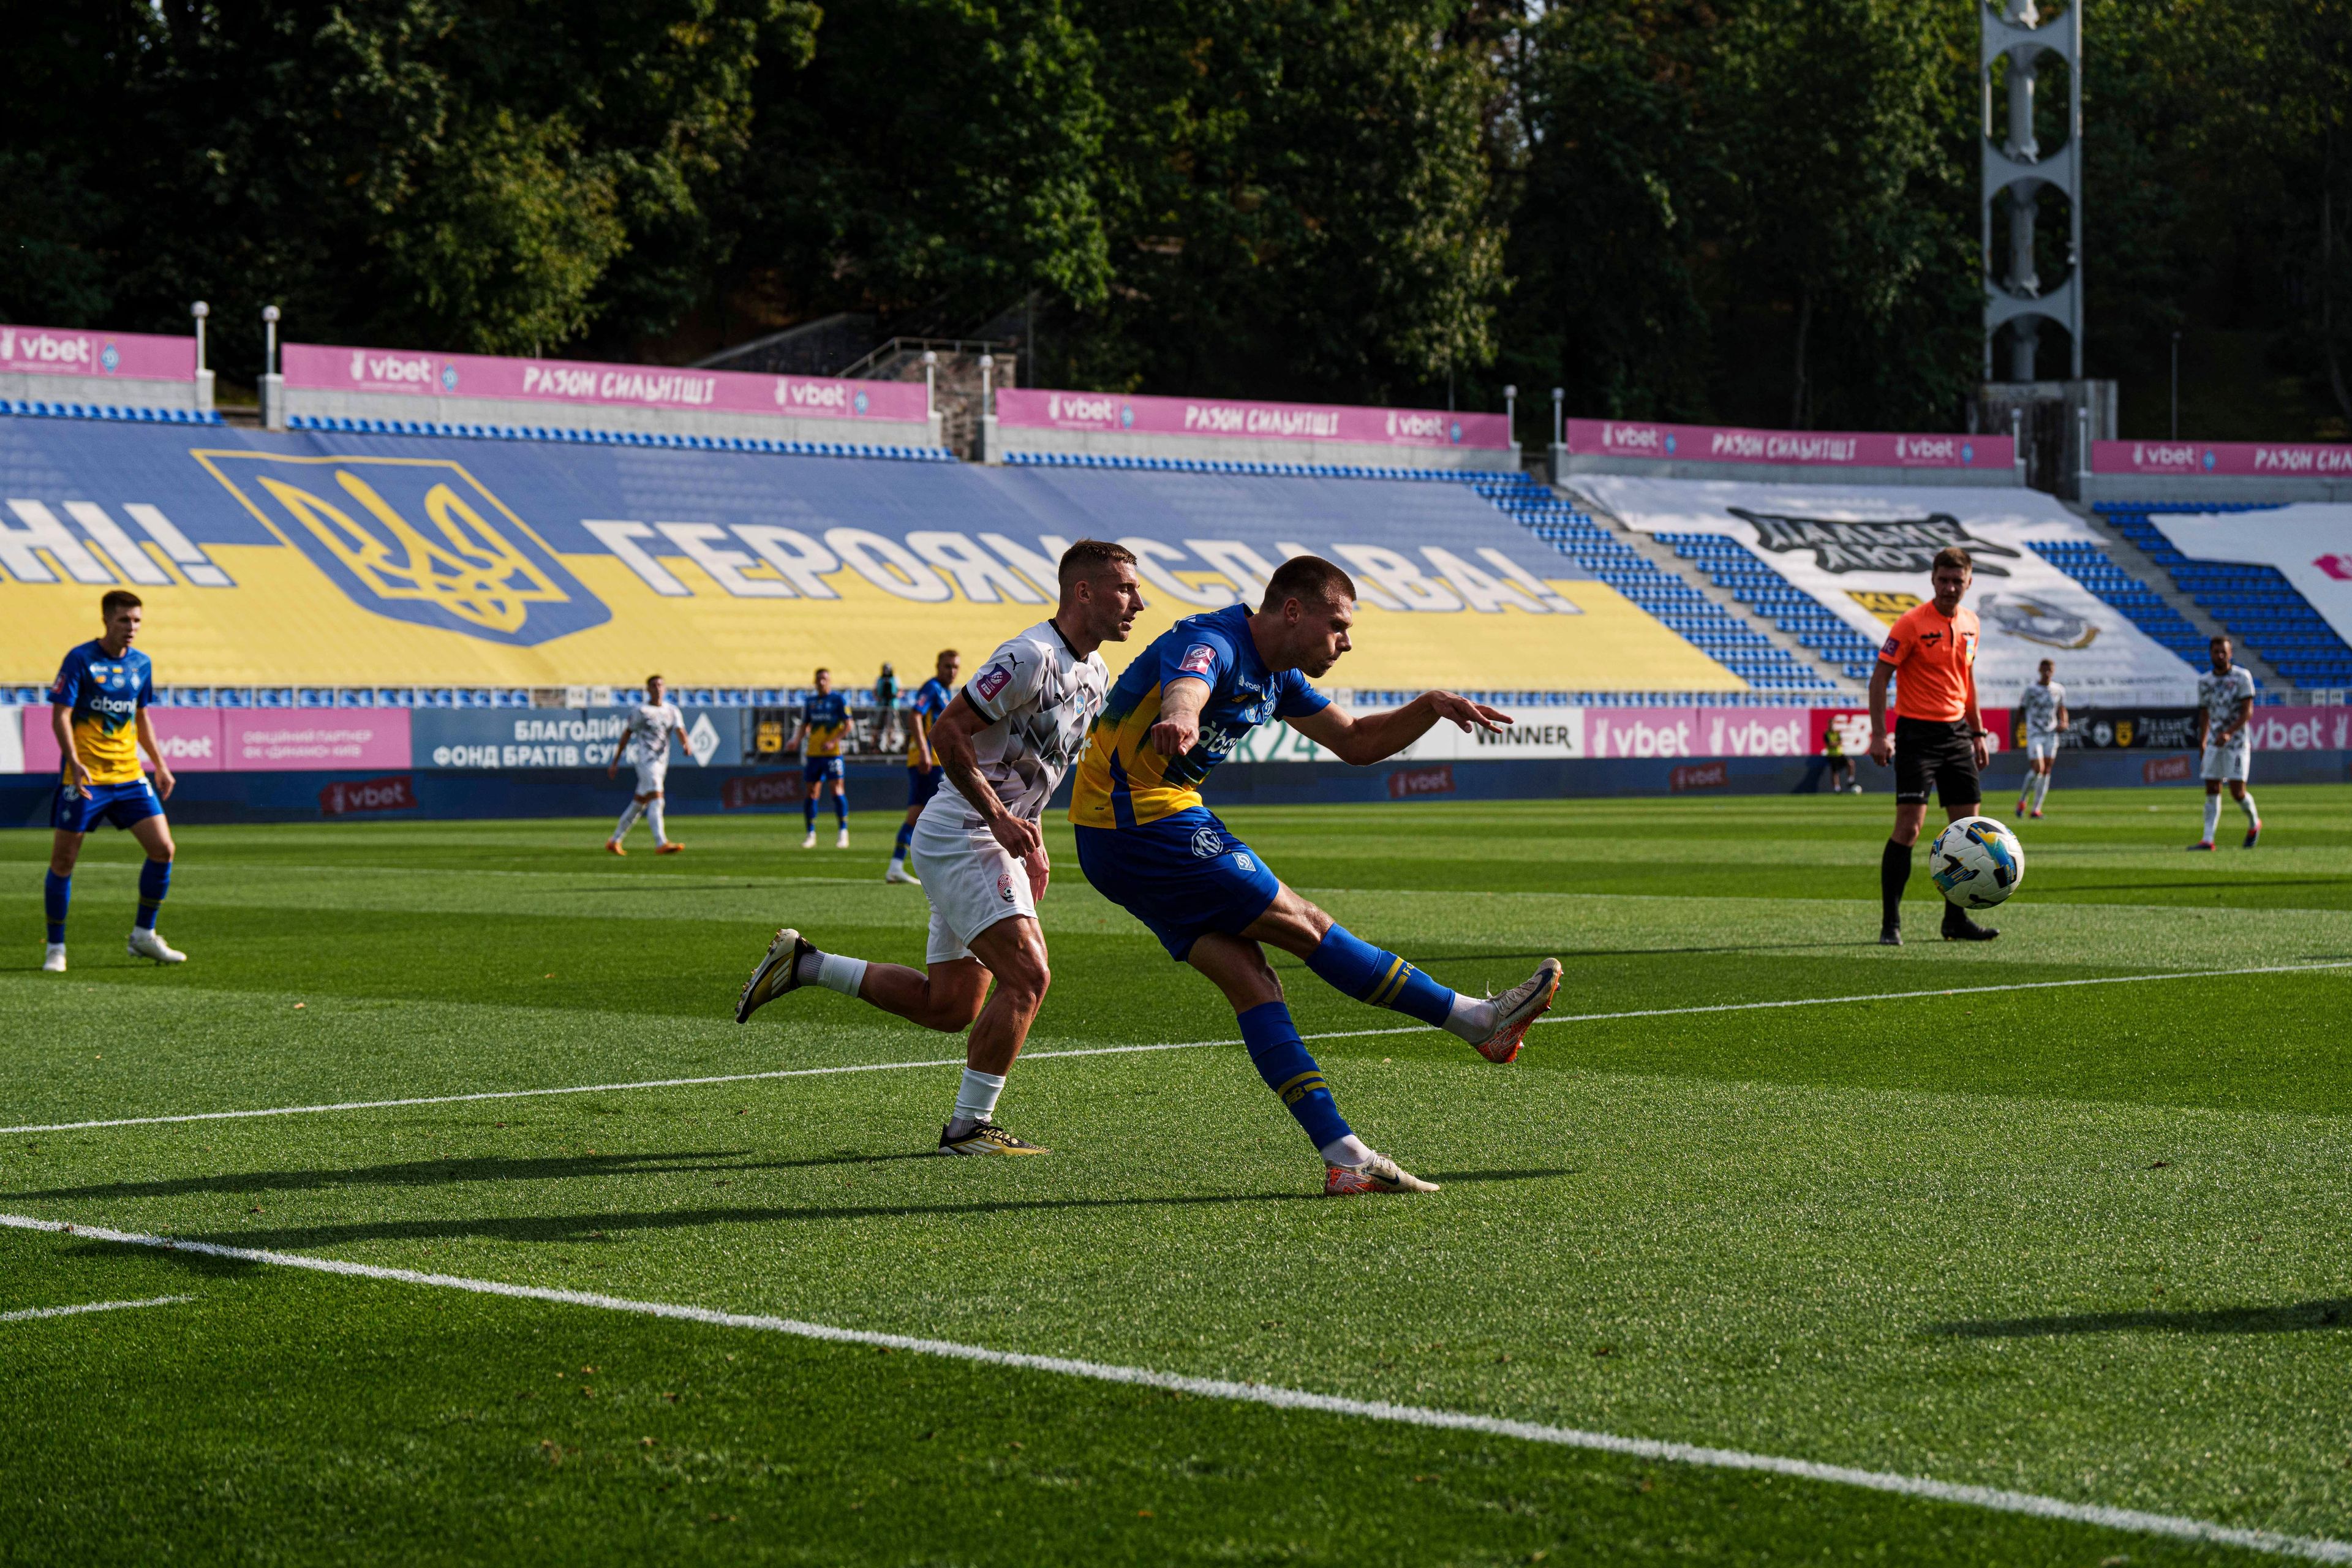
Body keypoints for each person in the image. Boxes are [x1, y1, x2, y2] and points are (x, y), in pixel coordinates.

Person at [1068, 554, 1564, 1198]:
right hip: (1139, 821)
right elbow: (1190, 683)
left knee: (1254, 982)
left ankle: (1345, 1155)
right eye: (1337, 624)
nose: (1346, 640)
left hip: (1115, 836)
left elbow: (1356, 740)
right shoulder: (1212, 641)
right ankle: (1476, 1021)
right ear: (1293, 611)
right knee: (1305, 923)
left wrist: (1430, 706)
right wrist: (1183, 715)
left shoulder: (1279, 678)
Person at [736, 541, 1148, 1155]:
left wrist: (1031, 839)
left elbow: (1041, 764)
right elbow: (947, 731)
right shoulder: (1029, 655)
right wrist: (1002, 818)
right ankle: (968, 1128)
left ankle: (807, 964)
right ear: (1083, 592)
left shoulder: (1096, 671)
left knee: (949, 1005)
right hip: (964, 831)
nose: (1139, 602)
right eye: (1124, 590)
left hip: (993, 836)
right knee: (1029, 976)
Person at [43, 590, 183, 972]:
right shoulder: (80, 659)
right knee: (64, 861)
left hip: (129, 775)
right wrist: (74, 760)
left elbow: (142, 718)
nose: (132, 628)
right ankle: (56, 947)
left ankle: (143, 936)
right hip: (86, 777)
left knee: (163, 849)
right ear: (106, 620)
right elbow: (60, 715)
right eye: (124, 620)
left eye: (137, 621)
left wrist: (160, 764)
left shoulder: (142, 663)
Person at [1868, 545, 1999, 946]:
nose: (1949, 587)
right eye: (1943, 580)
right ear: (1932, 580)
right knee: (1910, 828)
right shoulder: (1909, 624)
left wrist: (1977, 733)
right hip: (1916, 735)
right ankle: (1891, 923)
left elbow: (1967, 682)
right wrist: (1878, 734)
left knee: (1965, 833)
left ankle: (1954, 921)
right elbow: (1879, 680)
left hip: (1958, 734)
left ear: (1969, 582)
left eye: (1957, 581)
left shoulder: (1972, 624)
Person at [886, 649, 960, 886]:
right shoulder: (932, 688)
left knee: (916, 815)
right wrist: (925, 751)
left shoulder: (946, 692)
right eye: (948, 666)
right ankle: (945, 869)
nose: (952, 671)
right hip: (931, 762)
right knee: (949, 813)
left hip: (933, 761)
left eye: (955, 667)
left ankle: (896, 866)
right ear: (938, 666)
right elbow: (915, 716)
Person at [605, 675, 689, 855]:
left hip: (661, 762)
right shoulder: (641, 711)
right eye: (654, 685)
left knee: (639, 804)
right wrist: (615, 761)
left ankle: (615, 840)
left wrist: (686, 744)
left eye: (660, 685)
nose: (658, 688)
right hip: (646, 761)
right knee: (658, 800)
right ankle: (661, 842)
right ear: (648, 689)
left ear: (665, 689)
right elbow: (626, 735)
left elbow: (680, 730)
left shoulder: (672, 711)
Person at [2190, 635, 2260, 851]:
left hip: (2237, 743)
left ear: (2230, 654)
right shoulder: (2204, 682)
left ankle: (2254, 823)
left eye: (2224, 652)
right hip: (2214, 742)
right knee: (2212, 786)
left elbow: (2247, 711)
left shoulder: (2242, 677)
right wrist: (2202, 741)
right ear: (2210, 654)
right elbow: (2204, 714)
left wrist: (2229, 733)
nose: (2220, 655)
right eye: (2216, 652)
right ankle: (2208, 840)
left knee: (2237, 792)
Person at [790, 668, 851, 850]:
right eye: (819, 679)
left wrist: (833, 742)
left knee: (837, 791)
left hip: (832, 754)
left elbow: (849, 725)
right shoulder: (810, 702)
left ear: (830, 681)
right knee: (811, 794)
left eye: (825, 679)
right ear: (815, 682)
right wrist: (795, 741)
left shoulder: (838, 700)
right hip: (814, 754)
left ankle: (843, 832)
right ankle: (811, 834)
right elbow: (805, 725)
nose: (822, 682)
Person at [2014, 659, 2068, 820]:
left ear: (2053, 670)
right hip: (2034, 733)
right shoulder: (2031, 689)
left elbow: (2062, 709)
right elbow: (2021, 710)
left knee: (2047, 770)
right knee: (2038, 768)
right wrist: (2017, 732)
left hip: (2051, 734)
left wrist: (2064, 721)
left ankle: (2036, 809)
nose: (2047, 672)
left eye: (2050, 669)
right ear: (2039, 670)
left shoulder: (2058, 690)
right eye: (2044, 669)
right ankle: (2023, 799)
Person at [873, 662, 903, 755]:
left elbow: (900, 690)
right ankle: (875, 744)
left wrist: (894, 696)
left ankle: (889, 745)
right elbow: (875, 691)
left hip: (892, 705)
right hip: (881, 705)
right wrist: (879, 697)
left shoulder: (895, 679)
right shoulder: (879, 679)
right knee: (877, 724)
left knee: (891, 725)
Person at [1823, 722, 1856, 794]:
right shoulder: (1826, 734)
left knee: (1850, 763)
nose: (1832, 727)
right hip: (1832, 755)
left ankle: (1850, 780)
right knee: (1835, 772)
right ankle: (1837, 788)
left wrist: (1834, 743)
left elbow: (1841, 742)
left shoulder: (1838, 733)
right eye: (1830, 725)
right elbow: (1829, 744)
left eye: (1833, 725)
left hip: (1840, 754)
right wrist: (1836, 743)